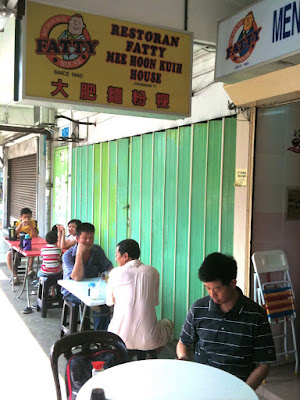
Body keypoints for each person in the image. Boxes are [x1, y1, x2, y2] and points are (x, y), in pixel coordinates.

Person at [176, 252, 276, 390]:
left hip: (237, 388)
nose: (212, 294)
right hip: (201, 386)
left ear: (232, 283)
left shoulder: (256, 315)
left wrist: (243, 393)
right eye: (207, 288)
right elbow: (183, 343)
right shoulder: (198, 309)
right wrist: (184, 359)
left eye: (217, 289)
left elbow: (263, 364)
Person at [106, 239, 174, 353]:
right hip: (149, 340)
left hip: (118, 338)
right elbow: (155, 302)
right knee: (169, 323)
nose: (116, 258)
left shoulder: (114, 273)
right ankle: (151, 355)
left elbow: (109, 302)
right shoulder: (153, 272)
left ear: (126, 256)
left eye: (117, 255)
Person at [62, 222, 113, 330]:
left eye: (91, 238)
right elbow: (77, 277)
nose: (88, 241)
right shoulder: (68, 256)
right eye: (84, 238)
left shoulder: (97, 250)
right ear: (77, 238)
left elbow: (109, 268)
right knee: (98, 304)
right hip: (72, 292)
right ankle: (93, 336)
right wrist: (79, 254)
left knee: (106, 303)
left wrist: (110, 274)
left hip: (93, 289)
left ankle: (100, 338)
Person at [7, 207, 39, 285]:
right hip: (18, 245)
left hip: (29, 244)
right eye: (25, 217)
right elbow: (14, 234)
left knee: (33, 251)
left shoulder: (34, 223)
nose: (27, 219)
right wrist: (21, 224)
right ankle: (14, 275)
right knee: (9, 254)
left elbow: (36, 235)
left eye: (29, 217)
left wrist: (31, 225)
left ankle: (29, 269)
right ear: (21, 217)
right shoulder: (16, 223)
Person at [38, 230, 62, 297]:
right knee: (55, 274)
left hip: (45, 272)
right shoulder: (58, 249)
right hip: (56, 273)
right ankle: (52, 290)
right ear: (57, 240)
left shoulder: (43, 249)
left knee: (39, 273)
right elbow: (59, 258)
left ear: (45, 240)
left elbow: (42, 257)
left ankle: (44, 291)